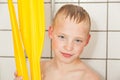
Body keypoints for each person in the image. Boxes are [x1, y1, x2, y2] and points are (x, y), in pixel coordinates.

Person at [15, 4, 100, 80]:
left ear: (87, 40)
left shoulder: (90, 77)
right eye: (62, 37)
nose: (68, 47)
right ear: (51, 32)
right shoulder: (37, 69)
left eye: (78, 40)